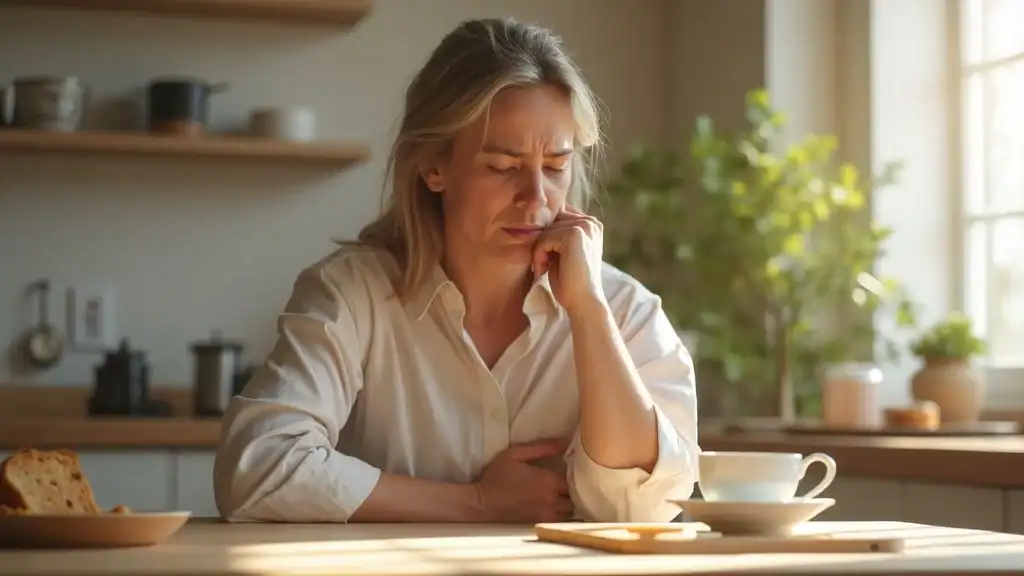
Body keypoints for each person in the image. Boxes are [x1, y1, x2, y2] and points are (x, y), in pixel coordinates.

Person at [213, 16, 699, 524]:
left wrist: (588, 310)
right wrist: (478, 502)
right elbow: (257, 471)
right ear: (433, 167)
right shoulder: (352, 294)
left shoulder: (626, 312)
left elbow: (643, 508)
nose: (537, 199)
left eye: (556, 165)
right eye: (503, 167)